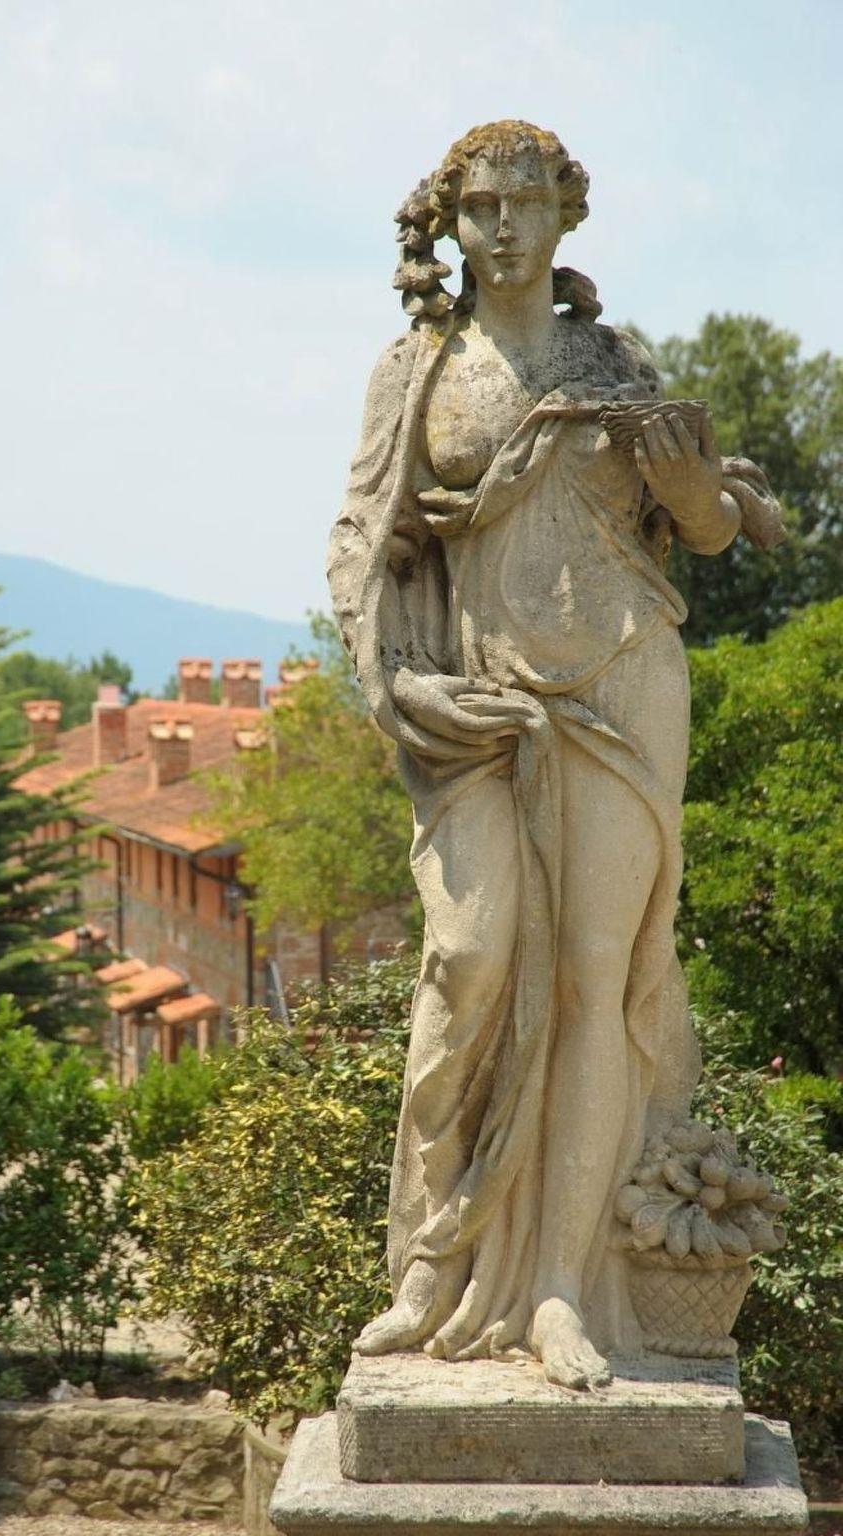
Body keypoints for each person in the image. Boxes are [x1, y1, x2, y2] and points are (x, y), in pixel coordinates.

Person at [327, 120, 782, 1389]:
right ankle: (433, 1260)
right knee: (470, 960)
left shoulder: (614, 364)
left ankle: (562, 1290)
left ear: (565, 216)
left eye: (526, 204)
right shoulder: (417, 368)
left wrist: (689, 490)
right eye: (481, 206)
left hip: (626, 682)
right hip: (480, 700)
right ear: (451, 222)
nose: (504, 228)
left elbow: (704, 530)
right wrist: (399, 679)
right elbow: (365, 539)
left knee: (596, 984)